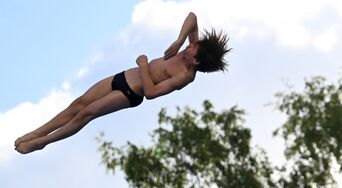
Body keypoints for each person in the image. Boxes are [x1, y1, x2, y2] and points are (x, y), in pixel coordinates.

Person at [14, 12, 229, 154]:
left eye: (193, 49)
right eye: (192, 44)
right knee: (78, 104)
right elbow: (192, 17)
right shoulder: (188, 48)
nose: (190, 47)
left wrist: (144, 66)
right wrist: (180, 39)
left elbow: (151, 93)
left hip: (130, 93)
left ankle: (43, 142)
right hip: (123, 76)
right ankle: (37, 132)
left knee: (86, 113)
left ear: (196, 61)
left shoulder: (184, 76)